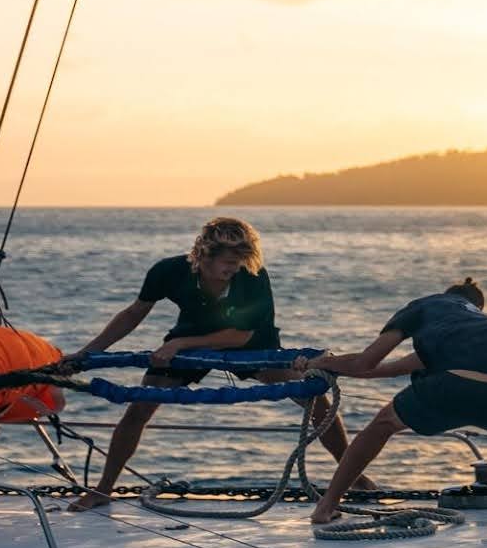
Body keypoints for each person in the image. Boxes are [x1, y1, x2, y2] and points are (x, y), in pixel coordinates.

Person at [65, 217, 371, 511]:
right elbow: (133, 314)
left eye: (240, 261)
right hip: (190, 338)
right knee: (140, 407)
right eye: (228, 262)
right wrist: (86, 354)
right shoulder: (169, 271)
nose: (234, 268)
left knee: (315, 398)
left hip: (251, 344)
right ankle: (103, 490)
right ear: (203, 256)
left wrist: (180, 344)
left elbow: (240, 336)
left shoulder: (252, 275)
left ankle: (353, 477)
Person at [303, 277, 487, 525]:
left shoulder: (425, 307)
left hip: (450, 389)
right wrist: (332, 365)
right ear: (479, 307)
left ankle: (326, 507)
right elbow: (387, 368)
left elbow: (366, 364)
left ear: (445, 296)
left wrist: (321, 362)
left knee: (382, 424)